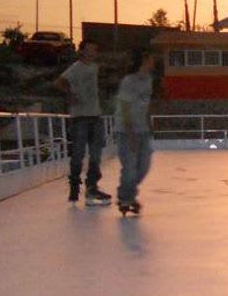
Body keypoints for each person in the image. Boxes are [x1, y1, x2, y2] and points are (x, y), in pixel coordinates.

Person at [55, 40, 110, 205]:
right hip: (80, 118)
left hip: (95, 116)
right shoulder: (75, 68)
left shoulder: (95, 67)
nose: (93, 53)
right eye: (90, 50)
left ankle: (92, 187)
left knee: (96, 154)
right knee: (78, 153)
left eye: (95, 50)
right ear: (82, 51)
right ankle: (74, 186)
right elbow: (59, 82)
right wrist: (70, 95)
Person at [114, 49, 156, 216]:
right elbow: (124, 107)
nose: (154, 62)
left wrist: (149, 123)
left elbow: (146, 105)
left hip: (143, 130)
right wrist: (130, 132)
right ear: (145, 59)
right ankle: (125, 198)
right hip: (126, 130)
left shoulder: (148, 80)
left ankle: (128, 194)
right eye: (152, 58)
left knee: (144, 166)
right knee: (130, 168)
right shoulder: (129, 81)